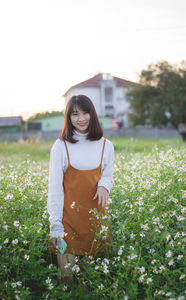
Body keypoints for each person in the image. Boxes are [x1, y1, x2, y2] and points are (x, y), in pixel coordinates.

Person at [47, 95, 114, 286]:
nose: (81, 118)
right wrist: (56, 225)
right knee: (66, 278)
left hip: (95, 219)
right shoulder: (60, 146)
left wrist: (104, 185)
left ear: (92, 115)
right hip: (67, 220)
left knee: (88, 281)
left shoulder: (106, 145)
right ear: (68, 117)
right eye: (75, 114)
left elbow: (108, 175)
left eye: (85, 113)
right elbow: (54, 188)